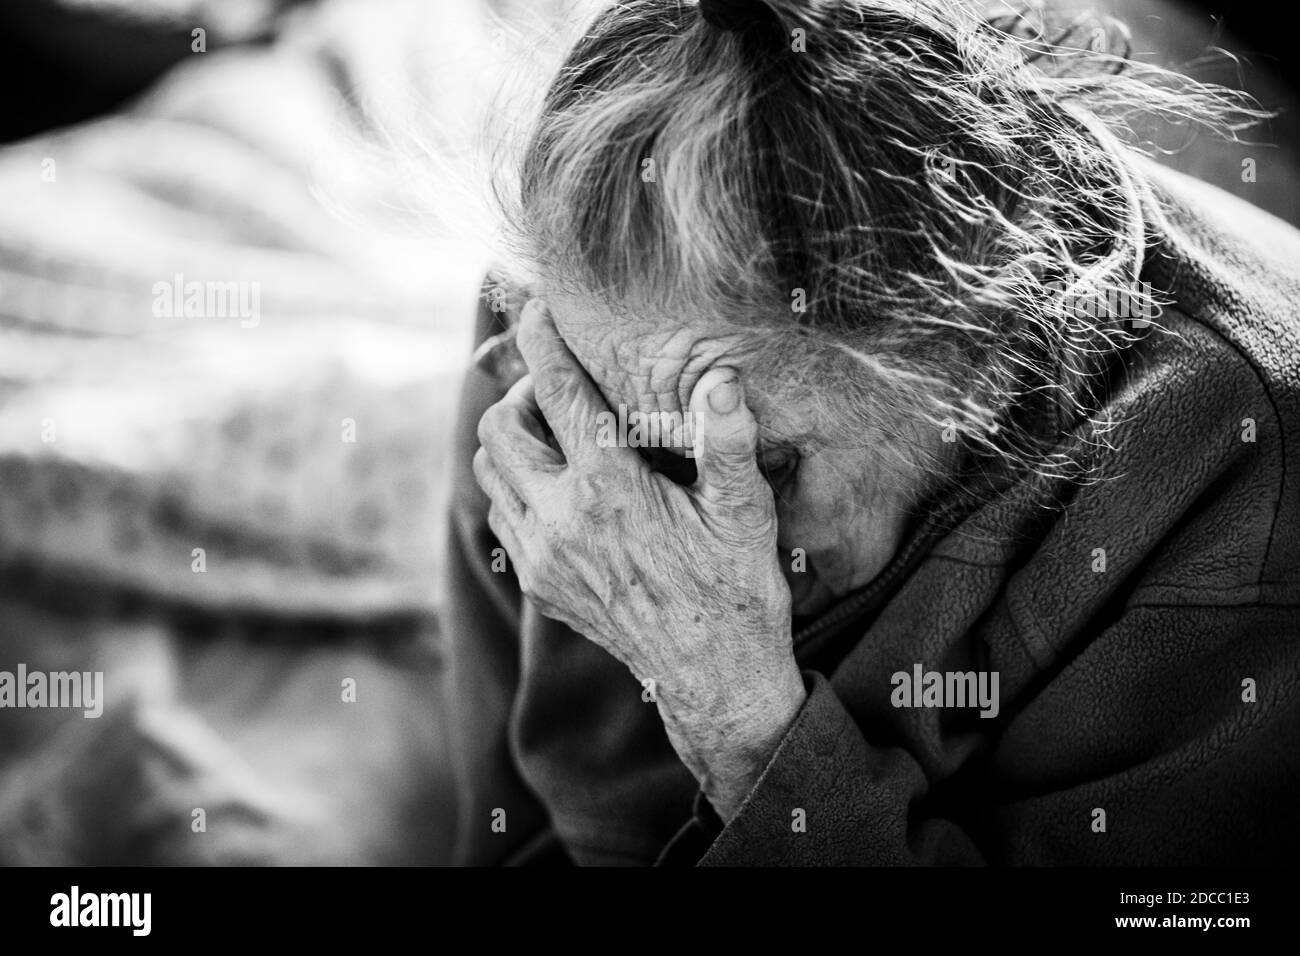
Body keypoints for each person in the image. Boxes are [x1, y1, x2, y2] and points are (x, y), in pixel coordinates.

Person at [442, 0, 1300, 865]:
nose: (668, 539)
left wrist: (741, 725)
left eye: (766, 464)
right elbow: (508, 833)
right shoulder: (565, 318)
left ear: (975, 358)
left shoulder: (1247, 482)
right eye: (649, 448)